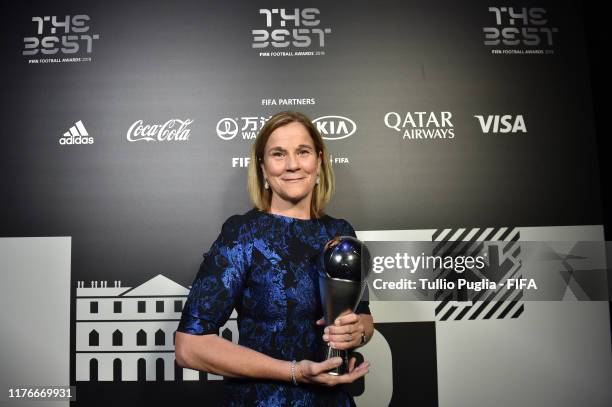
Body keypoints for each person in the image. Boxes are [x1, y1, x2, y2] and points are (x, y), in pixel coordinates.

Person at [175, 111, 374, 406]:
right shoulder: (243, 234)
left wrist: (358, 331)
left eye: (302, 152)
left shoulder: (339, 232)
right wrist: (294, 372)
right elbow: (189, 347)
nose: (292, 165)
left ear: (318, 161)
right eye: (278, 154)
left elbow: (364, 317)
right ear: (263, 168)